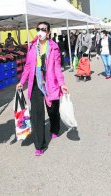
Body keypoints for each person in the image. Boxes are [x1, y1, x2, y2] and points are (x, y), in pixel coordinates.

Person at [16, 22, 69, 156]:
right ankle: (40, 145)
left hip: (50, 83)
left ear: (48, 32)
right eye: (38, 29)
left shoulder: (54, 48)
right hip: (36, 83)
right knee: (37, 115)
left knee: (52, 110)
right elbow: (28, 66)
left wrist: (62, 83)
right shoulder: (32, 46)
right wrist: (22, 82)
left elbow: (57, 68)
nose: (40, 32)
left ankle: (55, 128)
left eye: (43, 29)